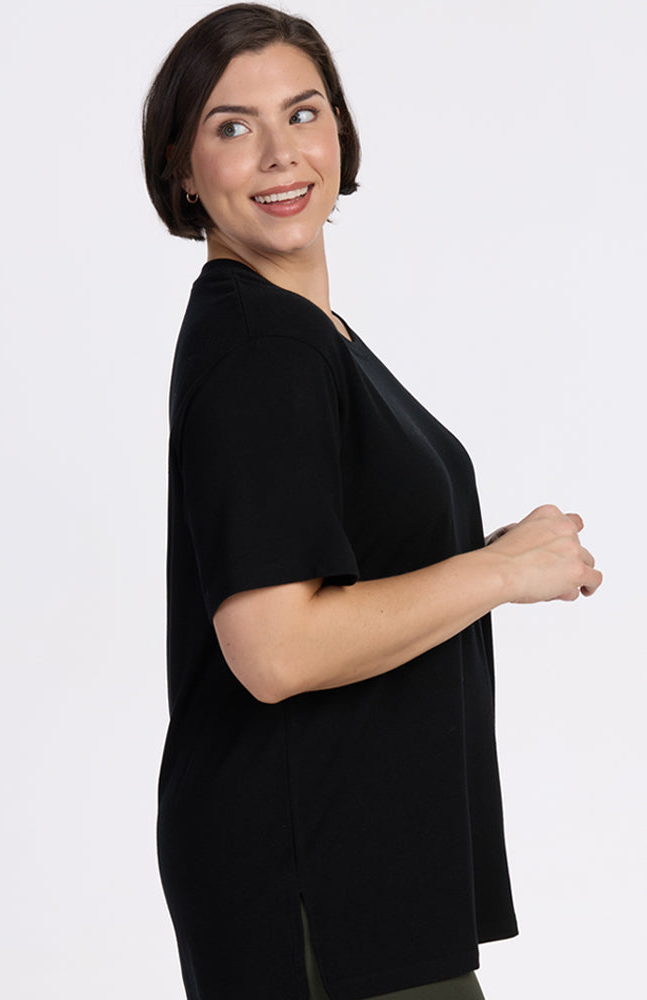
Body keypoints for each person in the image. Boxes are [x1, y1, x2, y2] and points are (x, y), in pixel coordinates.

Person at [142, 5, 602, 999]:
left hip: (354, 858)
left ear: (339, 133)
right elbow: (274, 650)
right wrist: (498, 572)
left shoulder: (304, 333)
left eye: (301, 114)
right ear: (183, 170)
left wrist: (490, 551)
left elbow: (344, 570)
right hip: (314, 873)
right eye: (231, 126)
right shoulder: (264, 346)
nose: (278, 153)